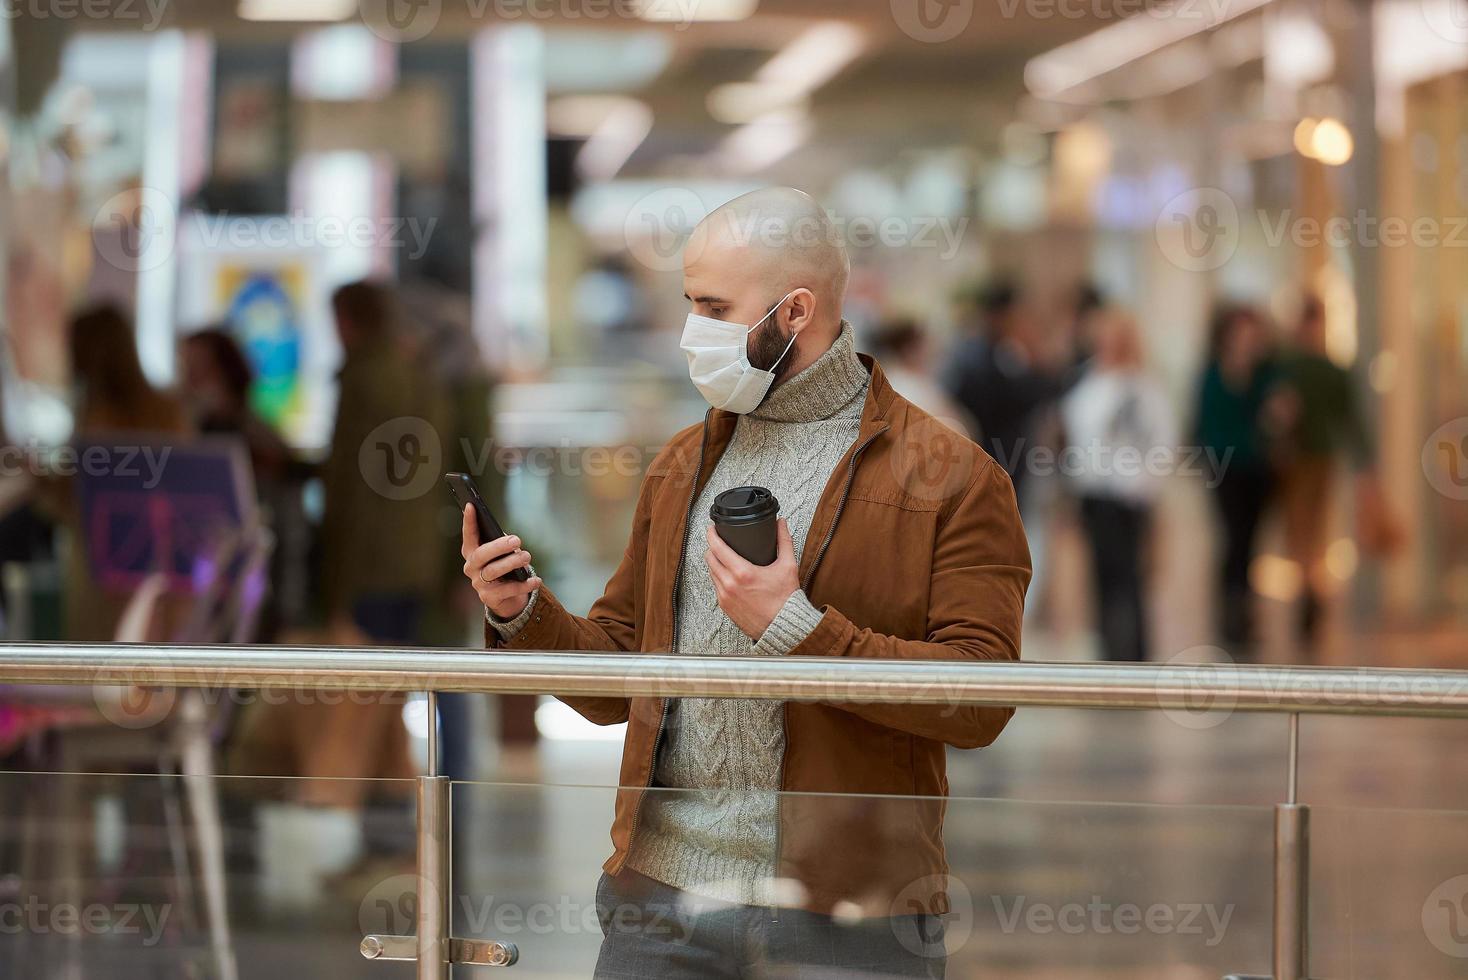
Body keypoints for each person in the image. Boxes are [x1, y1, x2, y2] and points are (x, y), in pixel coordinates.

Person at [460, 187, 1030, 978]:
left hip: (849, 911)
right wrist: (525, 612)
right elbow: (615, 677)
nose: (693, 330)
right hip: (659, 904)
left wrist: (797, 627)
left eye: (713, 306)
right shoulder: (681, 464)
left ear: (795, 311)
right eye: (690, 301)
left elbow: (979, 700)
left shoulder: (955, 478)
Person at [320, 280, 449, 645]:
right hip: (419, 558)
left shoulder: (362, 379)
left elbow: (352, 489)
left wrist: (335, 586)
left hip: (369, 563)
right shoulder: (421, 376)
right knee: (405, 677)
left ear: (346, 320)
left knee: (368, 689)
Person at [1060, 310, 1176, 663]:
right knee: (1102, 579)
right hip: (1092, 493)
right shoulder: (1088, 380)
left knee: (1129, 580)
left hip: (1128, 498)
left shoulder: (1142, 387)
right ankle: (1109, 652)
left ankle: (1134, 657)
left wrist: (1142, 484)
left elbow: (1161, 441)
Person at [179, 327, 310, 639]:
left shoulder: (262, 441)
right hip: (194, 600)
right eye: (185, 369)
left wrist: (287, 609)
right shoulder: (184, 437)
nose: (190, 380)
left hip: (252, 597)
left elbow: (289, 532)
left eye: (200, 368)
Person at [1276, 295, 1378, 651]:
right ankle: (1307, 591)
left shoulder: (1326, 370)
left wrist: (1366, 465)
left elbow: (1351, 420)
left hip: (1319, 460)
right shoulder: (1287, 366)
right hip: (1292, 461)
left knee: (1312, 530)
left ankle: (1311, 593)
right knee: (1300, 530)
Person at [1193, 304, 1285, 649]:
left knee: (1251, 542)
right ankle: (1228, 613)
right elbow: (1201, 420)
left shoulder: (1268, 374)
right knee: (1231, 538)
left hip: (1259, 470)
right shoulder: (1212, 373)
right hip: (1224, 470)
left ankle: (1245, 612)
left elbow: (1278, 420)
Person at [867, 317, 975, 437]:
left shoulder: (922, 379)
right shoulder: (898, 383)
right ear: (908, 349)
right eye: (922, 344)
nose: (929, 349)